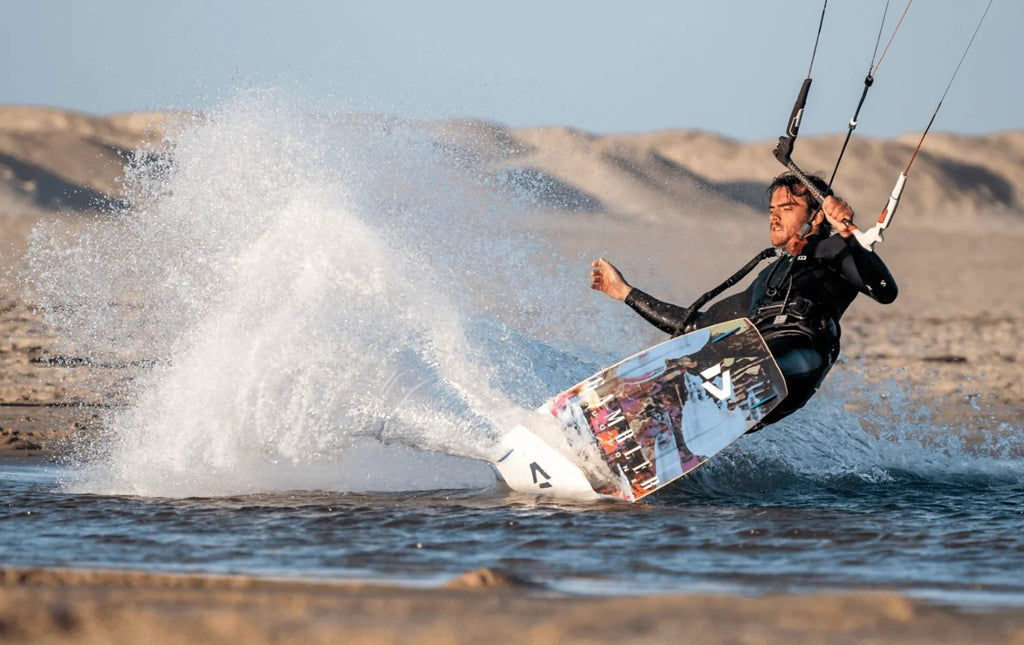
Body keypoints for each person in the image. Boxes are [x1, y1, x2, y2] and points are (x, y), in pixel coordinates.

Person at [589, 172, 898, 429]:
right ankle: (637, 433)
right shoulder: (767, 279)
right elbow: (699, 326)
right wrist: (626, 293)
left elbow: (885, 291)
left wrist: (848, 234)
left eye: (787, 207)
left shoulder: (836, 251)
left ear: (816, 215)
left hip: (799, 357)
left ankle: (671, 409)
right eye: (771, 208)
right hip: (750, 366)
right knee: (686, 360)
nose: (774, 215)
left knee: (708, 369)